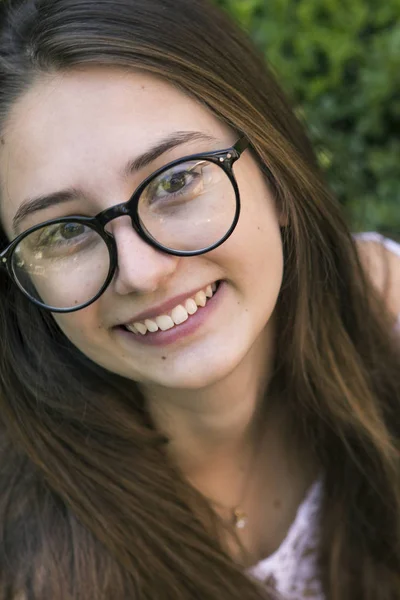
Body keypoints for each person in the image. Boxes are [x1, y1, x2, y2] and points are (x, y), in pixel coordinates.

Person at [0, 0, 399, 598]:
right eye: (64, 232)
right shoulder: (23, 558)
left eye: (176, 180)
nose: (140, 272)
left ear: (277, 172)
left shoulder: (386, 319)